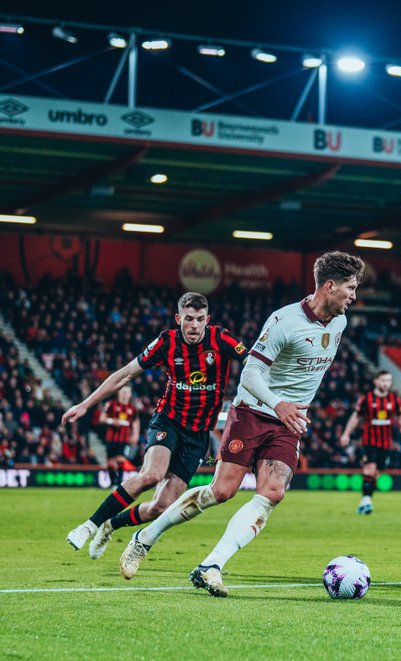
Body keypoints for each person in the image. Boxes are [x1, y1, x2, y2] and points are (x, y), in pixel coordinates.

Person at [118, 251, 364, 597]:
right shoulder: (284, 321)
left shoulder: (339, 322)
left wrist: (290, 410)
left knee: (273, 492)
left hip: (287, 421)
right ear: (329, 286)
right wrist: (278, 404)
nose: (354, 295)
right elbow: (249, 373)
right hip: (253, 412)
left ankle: (211, 565)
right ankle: (144, 538)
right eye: (350, 288)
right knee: (222, 492)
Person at [63, 292, 247, 559]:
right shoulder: (165, 342)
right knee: (152, 474)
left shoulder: (222, 339)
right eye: (188, 319)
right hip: (168, 420)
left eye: (198, 319)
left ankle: (110, 525)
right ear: (178, 319)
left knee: (161, 507)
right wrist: (85, 404)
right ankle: (88, 526)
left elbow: (255, 362)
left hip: (198, 434)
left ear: (207, 319)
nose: (193, 326)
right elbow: (125, 374)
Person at [340, 370, 401, 514]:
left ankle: (366, 500)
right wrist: (346, 434)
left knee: (377, 472)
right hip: (369, 440)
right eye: (383, 380)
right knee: (370, 468)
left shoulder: (394, 399)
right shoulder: (366, 399)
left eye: (389, 381)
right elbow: (355, 417)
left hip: (386, 442)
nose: (386, 384)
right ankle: (366, 499)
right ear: (376, 381)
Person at [100, 385, 140, 487]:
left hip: (124, 439)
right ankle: (113, 483)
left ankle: (119, 483)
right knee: (110, 463)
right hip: (111, 438)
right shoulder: (111, 404)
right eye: (123, 392)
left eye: (127, 392)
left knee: (121, 459)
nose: (125, 395)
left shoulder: (132, 409)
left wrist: (135, 435)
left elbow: (135, 422)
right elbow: (102, 418)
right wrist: (112, 421)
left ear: (130, 394)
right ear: (118, 393)